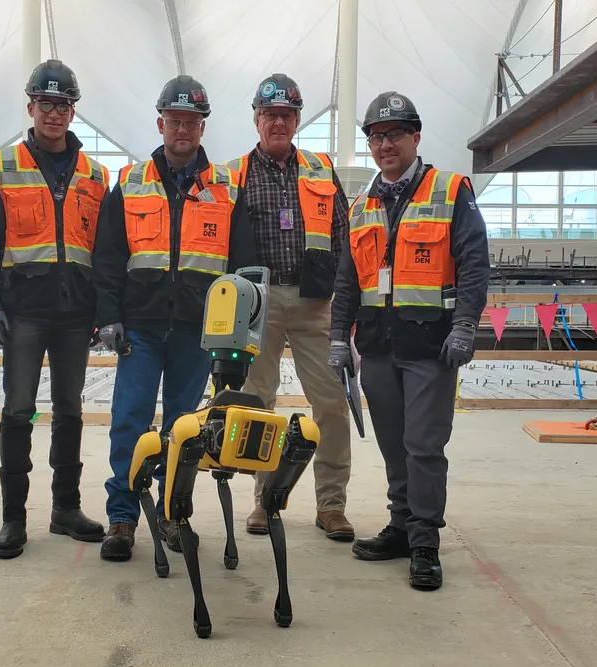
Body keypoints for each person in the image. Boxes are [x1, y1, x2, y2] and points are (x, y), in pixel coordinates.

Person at [328, 92, 490, 590]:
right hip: (378, 348)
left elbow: (473, 262)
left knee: (424, 446)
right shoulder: (362, 205)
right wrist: (338, 336)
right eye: (376, 137)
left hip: (431, 347)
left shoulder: (449, 190)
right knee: (394, 445)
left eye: (395, 134)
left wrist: (465, 325)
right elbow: (348, 280)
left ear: (416, 137)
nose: (385, 144)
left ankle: (424, 542)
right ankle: (400, 525)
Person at [93, 75, 258, 562]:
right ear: (160, 123)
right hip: (139, 327)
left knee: (184, 428)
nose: (182, 130)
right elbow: (107, 257)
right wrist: (108, 315)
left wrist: (235, 338)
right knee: (130, 420)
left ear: (202, 127)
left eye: (192, 122)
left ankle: (170, 512)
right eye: (175, 121)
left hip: (195, 332)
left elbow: (241, 269)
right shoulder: (129, 183)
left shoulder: (227, 188)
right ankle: (122, 517)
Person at [0, 59, 111, 560]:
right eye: (46, 104)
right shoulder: (2, 166)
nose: (54, 113)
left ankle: (65, 509)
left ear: (73, 111)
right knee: (17, 411)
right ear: (30, 107)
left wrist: (103, 310)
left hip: (76, 313)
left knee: (70, 411)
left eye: (64, 105)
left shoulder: (96, 174)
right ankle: (14, 518)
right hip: (24, 312)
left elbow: (103, 250)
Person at [227, 73, 354, 543]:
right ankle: (264, 502)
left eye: (286, 115)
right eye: (269, 114)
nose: (278, 122)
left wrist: (343, 302)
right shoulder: (234, 174)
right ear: (257, 120)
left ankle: (331, 506)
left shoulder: (322, 170)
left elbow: (342, 237)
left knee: (332, 404)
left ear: (297, 120)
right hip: (257, 304)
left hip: (313, 301)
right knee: (259, 404)